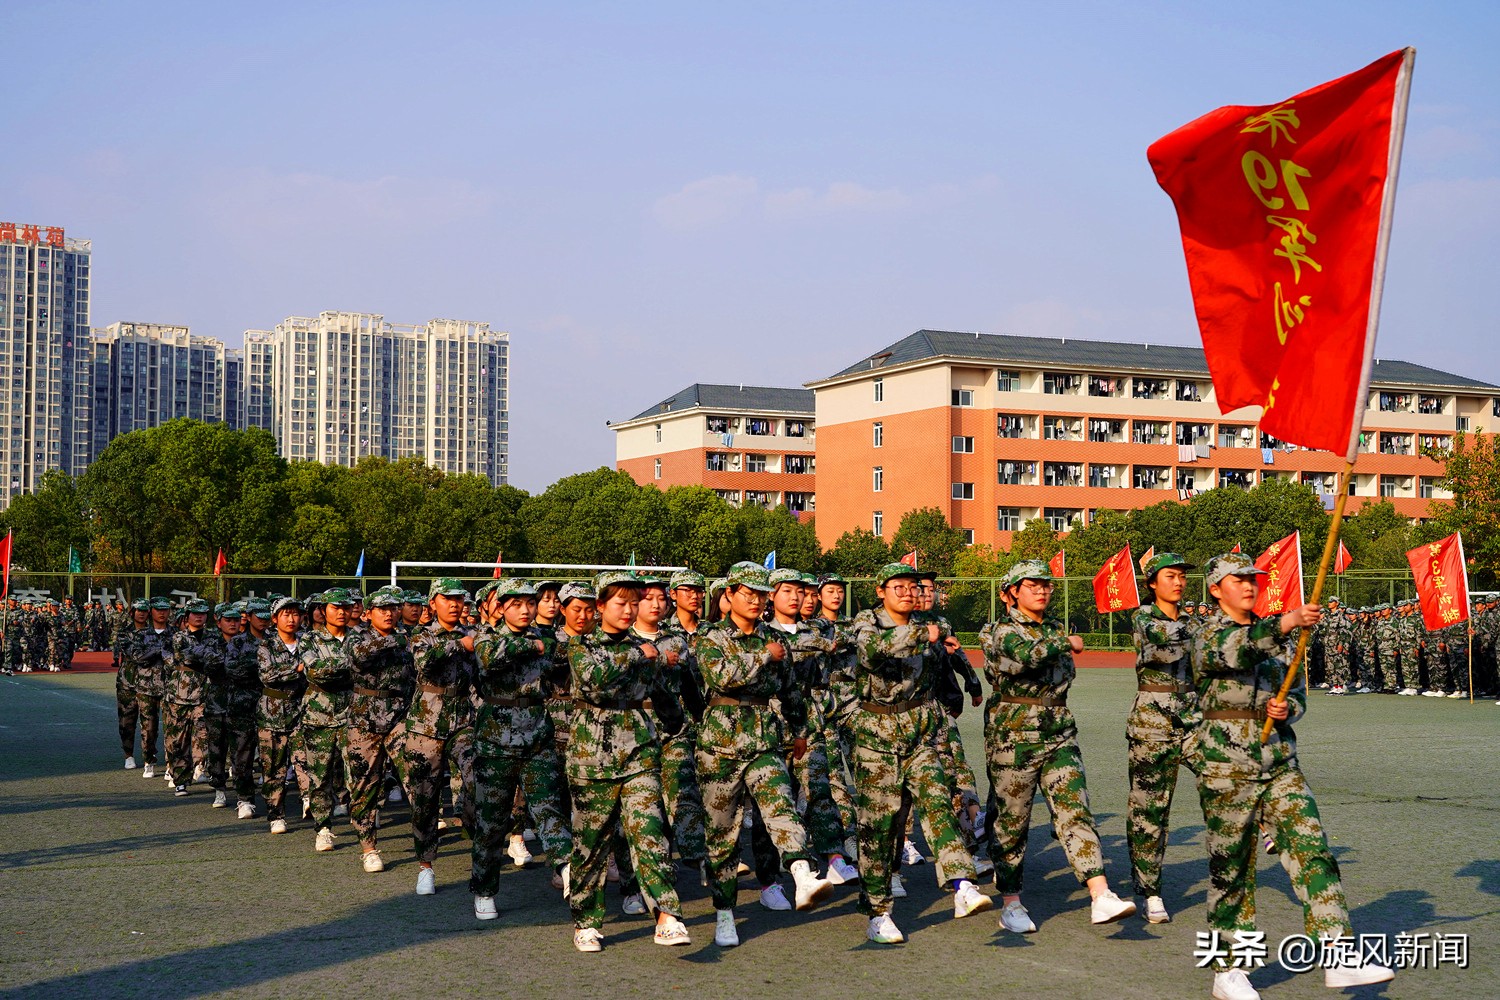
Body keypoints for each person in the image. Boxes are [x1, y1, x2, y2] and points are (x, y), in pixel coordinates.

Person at [1190, 553, 1394, 1000]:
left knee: (1312, 850)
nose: (1249, 585)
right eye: (1238, 580)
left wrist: (1288, 709)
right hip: (1227, 767)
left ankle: (1339, 955)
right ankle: (1228, 971)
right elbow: (1234, 650)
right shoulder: (1206, 632)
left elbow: (1297, 692)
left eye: (1253, 579)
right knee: (1232, 867)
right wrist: (1287, 622)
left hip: (1280, 762)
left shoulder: (1282, 638)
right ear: (1216, 589)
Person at [982, 560, 1135, 935]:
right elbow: (1027, 655)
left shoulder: (1052, 627)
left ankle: (1100, 893)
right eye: (1032, 584)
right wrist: (1065, 643)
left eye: (1046, 585)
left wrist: (1059, 640)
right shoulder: (1000, 630)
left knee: (1074, 809)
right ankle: (1011, 903)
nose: (1042, 590)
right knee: (1012, 822)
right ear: (1012, 592)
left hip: (1059, 729)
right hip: (1014, 735)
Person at [848, 563, 989, 944]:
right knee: (880, 827)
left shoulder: (931, 625)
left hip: (920, 728)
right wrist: (923, 635)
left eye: (913, 587)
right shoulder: (867, 622)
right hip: (877, 734)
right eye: (899, 587)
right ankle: (878, 912)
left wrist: (962, 679)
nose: (908, 593)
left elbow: (942, 666)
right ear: (881, 590)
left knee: (937, 800)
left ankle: (962, 883)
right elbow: (871, 652)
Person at [565, 571, 691, 952]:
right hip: (592, 759)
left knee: (650, 833)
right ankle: (586, 921)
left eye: (634, 603)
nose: (629, 610)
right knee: (591, 845)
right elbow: (594, 681)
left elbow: (661, 692)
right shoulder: (582, 645)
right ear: (600, 605)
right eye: (621, 603)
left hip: (640, 752)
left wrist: (678, 723)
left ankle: (667, 916)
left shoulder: (645, 648)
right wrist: (640, 655)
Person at [469, 579, 573, 919]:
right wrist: (534, 647)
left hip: (537, 735)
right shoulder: (487, 637)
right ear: (500, 608)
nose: (525, 610)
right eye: (516, 604)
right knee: (492, 821)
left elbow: (568, 656)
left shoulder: (546, 637)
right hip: (496, 741)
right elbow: (490, 658)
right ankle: (485, 889)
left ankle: (566, 866)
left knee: (548, 808)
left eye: (530, 603)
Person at [1126, 552, 1200, 924]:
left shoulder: (1193, 621)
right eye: (1170, 575)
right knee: (1149, 812)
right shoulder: (1143, 618)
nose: (1179, 582)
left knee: (1230, 772)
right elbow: (1164, 646)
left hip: (1193, 716)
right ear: (1152, 583)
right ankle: (1150, 892)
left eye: (1182, 576)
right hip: (1152, 722)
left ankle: (1263, 826)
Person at [404, 578, 479, 896]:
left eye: (458, 598)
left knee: (479, 781)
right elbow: (425, 662)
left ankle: (475, 838)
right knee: (425, 797)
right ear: (433, 603)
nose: (454, 604)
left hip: (464, 721)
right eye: (446, 598)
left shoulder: (473, 633)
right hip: (426, 724)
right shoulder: (421, 635)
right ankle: (426, 865)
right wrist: (460, 645)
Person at [343, 584, 416, 872]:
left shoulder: (409, 636)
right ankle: (369, 847)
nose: (389, 614)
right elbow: (359, 657)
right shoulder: (357, 636)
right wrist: (393, 641)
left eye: (394, 608)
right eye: (382, 609)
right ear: (368, 613)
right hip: (365, 719)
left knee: (417, 774)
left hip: (401, 715)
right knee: (365, 784)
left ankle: (426, 835)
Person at [301, 589, 357, 853]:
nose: (342, 612)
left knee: (357, 772)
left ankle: (362, 823)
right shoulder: (310, 639)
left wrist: (337, 666)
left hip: (353, 714)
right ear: (323, 611)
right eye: (336, 607)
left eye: (346, 607)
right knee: (320, 775)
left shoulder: (358, 637)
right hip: (319, 716)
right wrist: (352, 664)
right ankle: (323, 827)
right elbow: (316, 672)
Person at [258, 597, 313, 835]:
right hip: (272, 713)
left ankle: (309, 799)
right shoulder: (266, 646)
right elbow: (267, 675)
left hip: (302, 710)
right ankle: (276, 815)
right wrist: (297, 669)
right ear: (275, 619)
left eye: (295, 614)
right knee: (274, 768)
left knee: (306, 760)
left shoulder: (308, 642)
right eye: (286, 614)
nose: (291, 619)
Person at [224, 600, 269, 818]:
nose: (263, 620)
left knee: (273, 756)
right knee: (242, 755)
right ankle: (245, 799)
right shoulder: (238, 642)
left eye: (266, 615)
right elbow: (232, 669)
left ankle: (274, 800)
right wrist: (265, 666)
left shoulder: (276, 640)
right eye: (258, 615)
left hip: (271, 705)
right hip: (242, 705)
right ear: (248, 617)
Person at [115, 599, 149, 769]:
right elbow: (135, 654)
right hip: (127, 682)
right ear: (132, 612)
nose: (142, 613)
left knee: (149, 723)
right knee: (126, 722)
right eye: (138, 610)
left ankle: (149, 756)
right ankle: (128, 755)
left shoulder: (154, 632)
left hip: (149, 682)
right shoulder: (124, 633)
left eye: (145, 610)